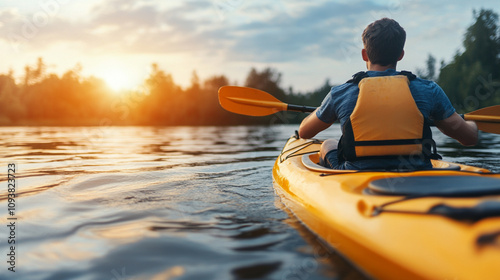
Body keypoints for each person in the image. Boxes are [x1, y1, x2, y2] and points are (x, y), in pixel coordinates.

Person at [298, 18, 478, 170]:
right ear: (400, 55)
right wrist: (471, 124)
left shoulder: (341, 93)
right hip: (416, 174)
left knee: (328, 143)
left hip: (355, 176)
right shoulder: (429, 90)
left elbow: (304, 132)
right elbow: (469, 138)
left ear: (364, 54)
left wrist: (326, 111)